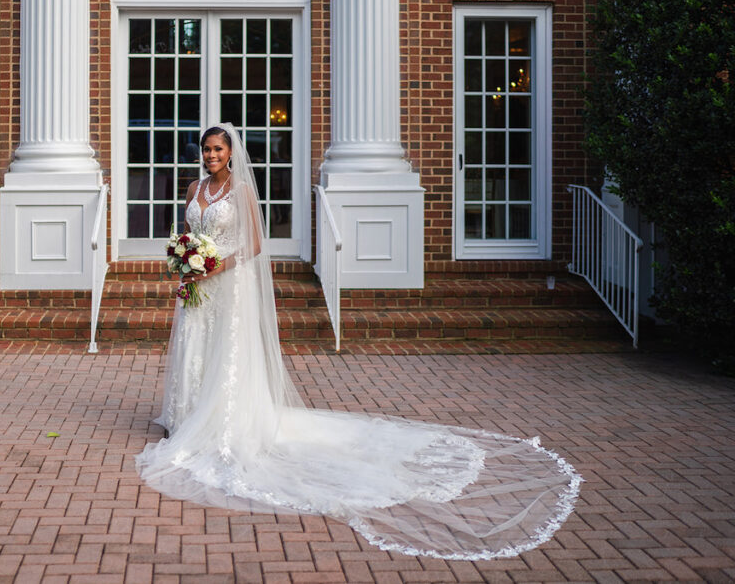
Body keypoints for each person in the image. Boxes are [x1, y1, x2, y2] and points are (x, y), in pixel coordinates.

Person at [135, 123, 581, 560]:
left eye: (217, 149)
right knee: (196, 345)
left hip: (228, 284)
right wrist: (186, 260)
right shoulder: (193, 189)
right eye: (206, 149)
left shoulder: (241, 191)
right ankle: (189, 412)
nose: (211, 155)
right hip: (198, 287)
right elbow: (191, 235)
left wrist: (215, 266)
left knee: (226, 353)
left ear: (230, 153)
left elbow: (253, 244)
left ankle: (225, 420)